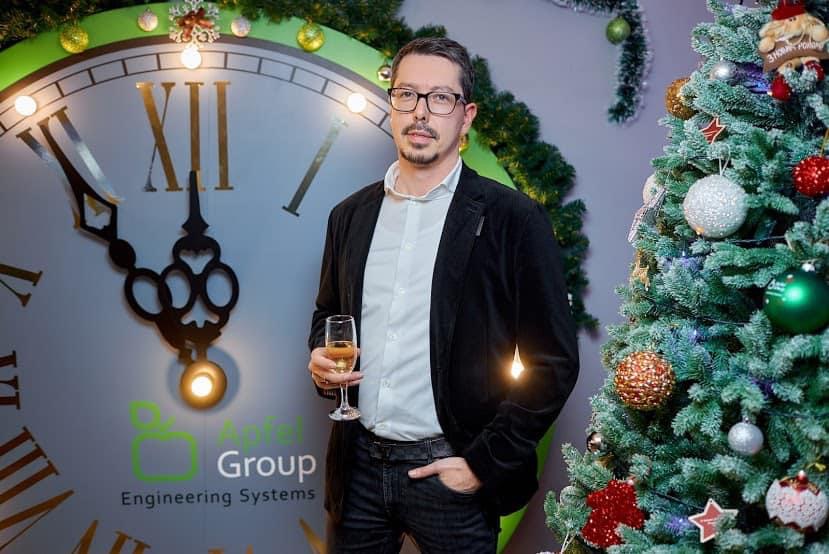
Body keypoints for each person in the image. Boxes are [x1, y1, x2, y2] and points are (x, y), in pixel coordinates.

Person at [307, 36, 579, 553]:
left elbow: (553, 362)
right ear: (392, 105)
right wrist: (322, 358)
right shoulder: (349, 216)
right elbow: (329, 314)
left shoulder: (513, 219)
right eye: (407, 94)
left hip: (452, 472)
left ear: (466, 116)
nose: (421, 112)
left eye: (440, 98)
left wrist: (480, 464)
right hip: (356, 470)